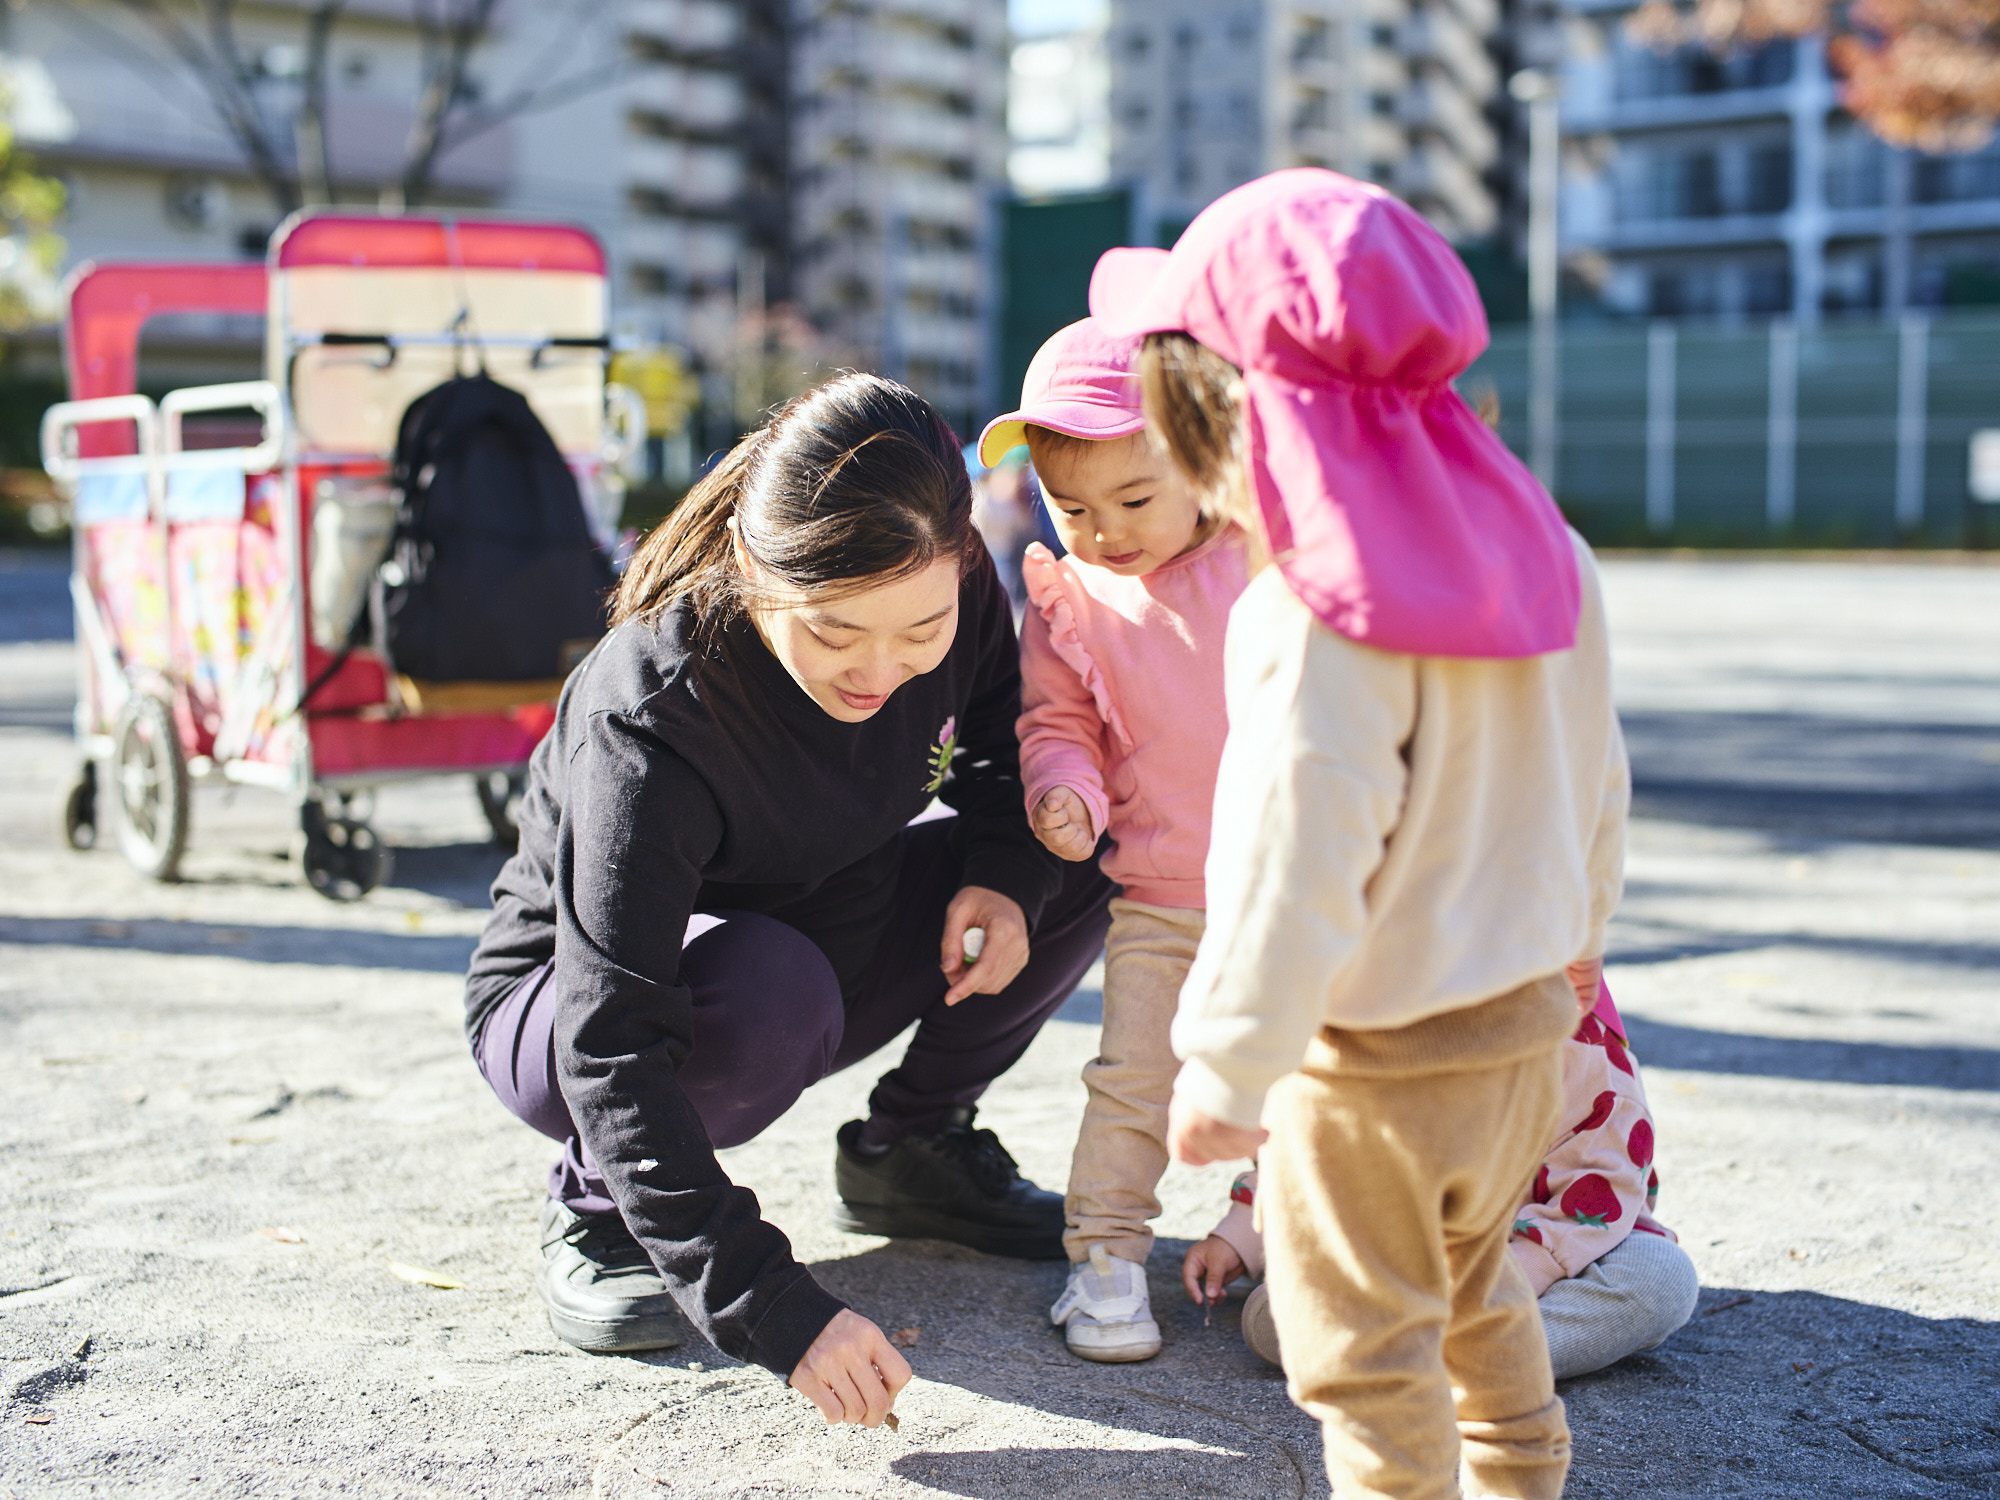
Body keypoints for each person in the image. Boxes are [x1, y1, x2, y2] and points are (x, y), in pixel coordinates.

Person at [1092, 169, 1630, 1499]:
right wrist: (1580, 947)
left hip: (1372, 1063)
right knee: (1475, 1294)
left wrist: (1228, 1063)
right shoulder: (1547, 549)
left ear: (1219, 416)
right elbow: (1595, 777)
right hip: (1518, 1030)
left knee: (1361, 1352)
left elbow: (1298, 857)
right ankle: (1521, 1479)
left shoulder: (1313, 608)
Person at [463, 373, 1115, 1429]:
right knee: (768, 987)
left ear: (957, 563)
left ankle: (911, 1147)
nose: (881, 670)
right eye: (833, 632)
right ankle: (599, 1207)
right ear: (756, 573)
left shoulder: (956, 594)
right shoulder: (656, 712)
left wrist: (1007, 872)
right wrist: (768, 1304)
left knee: (1075, 835)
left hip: (819, 935)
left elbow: (1005, 753)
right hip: (577, 1011)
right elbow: (608, 1035)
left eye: (918, 631)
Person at [974, 317, 1249, 1361]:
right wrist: (1064, 795)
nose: (1102, 530)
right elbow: (1056, 724)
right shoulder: (1070, 599)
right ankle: (1105, 1262)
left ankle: (1298, 1239)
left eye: (1134, 498)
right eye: (1070, 506)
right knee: (1133, 1082)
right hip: (1161, 898)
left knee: (1315, 1088)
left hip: (1298, 896)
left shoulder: (1261, 561)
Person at [1184, 980, 1699, 1382]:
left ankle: (1477, 1361)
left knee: (1658, 1278)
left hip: (1552, 1254)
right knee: (1278, 1313)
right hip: (1404, 1254)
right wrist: (1244, 1232)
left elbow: (1600, 1184)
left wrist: (1506, 1281)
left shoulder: (1584, 1052)